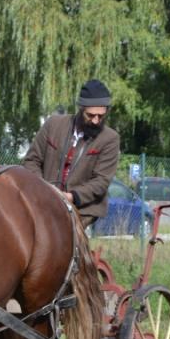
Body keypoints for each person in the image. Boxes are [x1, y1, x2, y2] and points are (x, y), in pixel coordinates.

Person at [21, 79, 120, 229]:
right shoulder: (53, 125)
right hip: (42, 200)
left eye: (101, 116)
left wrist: (71, 197)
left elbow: (101, 182)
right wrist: (42, 189)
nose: (96, 121)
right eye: (91, 115)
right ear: (80, 108)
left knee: (61, 235)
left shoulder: (110, 139)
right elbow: (32, 160)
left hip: (82, 208)